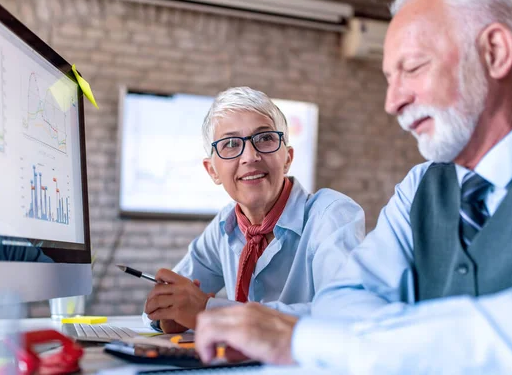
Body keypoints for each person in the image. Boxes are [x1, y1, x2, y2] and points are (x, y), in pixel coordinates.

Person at [194, 0, 512, 373]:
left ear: (494, 51)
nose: (393, 102)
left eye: (413, 68)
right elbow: (346, 299)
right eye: (390, 78)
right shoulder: (419, 188)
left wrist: (307, 338)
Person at [143, 86, 365, 333]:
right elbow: (163, 300)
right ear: (212, 171)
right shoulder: (225, 226)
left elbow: (346, 315)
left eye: (265, 138)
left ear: (288, 158)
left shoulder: (331, 215)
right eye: (230, 144)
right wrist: (169, 316)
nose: (250, 156)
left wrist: (210, 312)